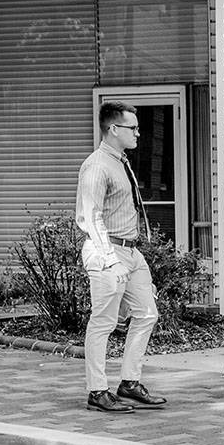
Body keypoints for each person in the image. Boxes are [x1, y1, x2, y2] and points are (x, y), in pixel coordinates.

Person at [75, 101, 166, 413]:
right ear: (113, 129)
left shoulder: (121, 161)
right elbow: (91, 217)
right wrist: (111, 260)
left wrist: (131, 255)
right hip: (106, 252)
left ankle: (129, 382)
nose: (139, 133)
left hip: (130, 250)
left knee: (147, 313)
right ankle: (97, 391)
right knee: (102, 322)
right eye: (133, 128)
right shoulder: (97, 166)